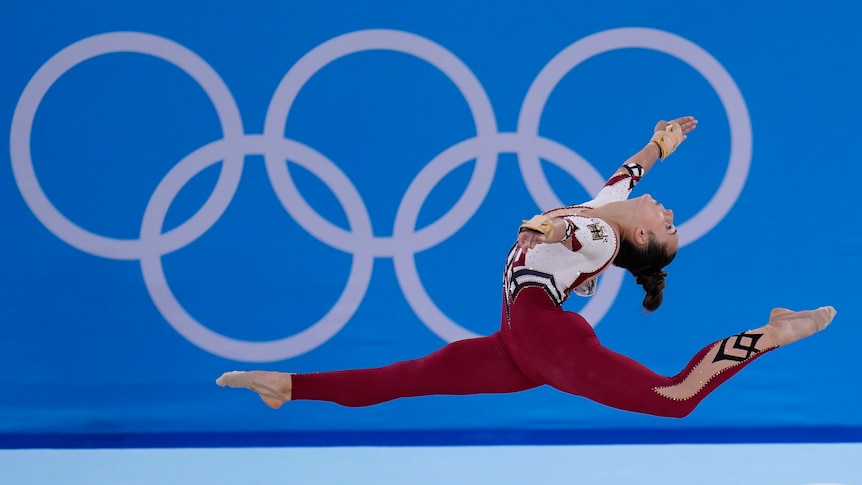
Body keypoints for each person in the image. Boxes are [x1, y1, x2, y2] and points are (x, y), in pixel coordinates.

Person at [216, 116, 836, 417]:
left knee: (674, 397)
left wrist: (548, 227)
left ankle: (774, 332)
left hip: (544, 336)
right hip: (519, 341)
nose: (669, 210)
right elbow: (628, 176)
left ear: (641, 234)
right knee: (404, 377)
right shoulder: (608, 210)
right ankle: (288, 385)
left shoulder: (594, 230)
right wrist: (661, 143)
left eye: (668, 225)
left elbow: (577, 231)